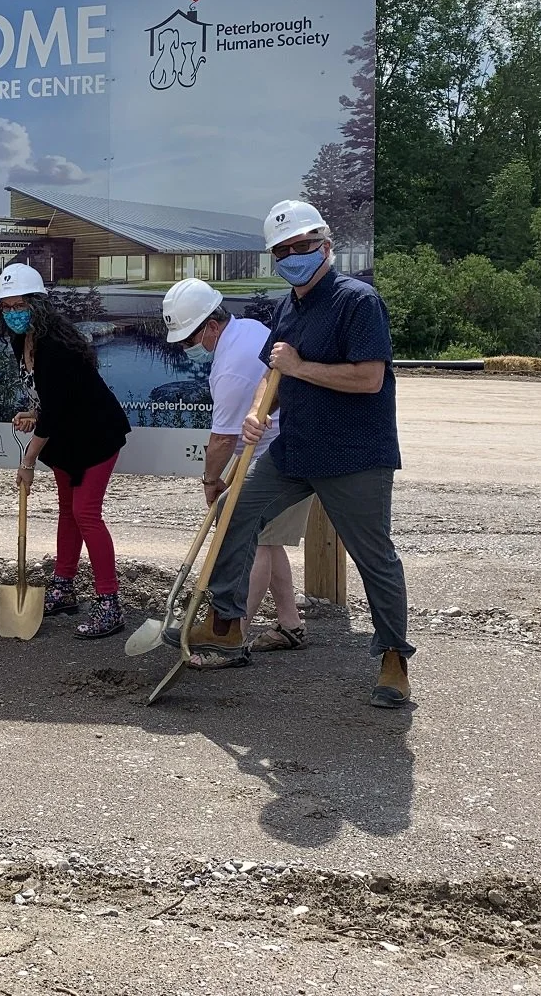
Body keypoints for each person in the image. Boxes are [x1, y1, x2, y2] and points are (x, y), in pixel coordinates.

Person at [172, 200, 414, 707]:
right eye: (282, 251)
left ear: (325, 245)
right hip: (294, 449)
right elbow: (272, 374)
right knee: (233, 511)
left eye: (302, 245)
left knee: (374, 556)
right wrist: (257, 410)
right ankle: (226, 624)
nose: (293, 256)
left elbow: (369, 378)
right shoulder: (288, 308)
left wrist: (300, 367)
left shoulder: (358, 301)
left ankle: (393, 658)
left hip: (354, 454)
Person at [162, 277, 304, 652]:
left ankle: (230, 633)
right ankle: (290, 623)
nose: (187, 348)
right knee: (269, 541)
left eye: (189, 340)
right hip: (276, 448)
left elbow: (222, 440)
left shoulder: (230, 368)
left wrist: (210, 481)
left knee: (252, 543)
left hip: (279, 457)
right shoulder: (247, 329)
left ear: (212, 325)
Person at [0, 264, 131, 638]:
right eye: (6, 307)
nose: (12, 313)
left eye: (19, 305)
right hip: (65, 438)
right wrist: (33, 413)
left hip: (95, 437)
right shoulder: (20, 340)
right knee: (68, 512)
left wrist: (27, 462)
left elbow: (58, 410)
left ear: (37, 304)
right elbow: (50, 401)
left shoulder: (56, 346)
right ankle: (64, 587)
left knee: (85, 513)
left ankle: (110, 604)